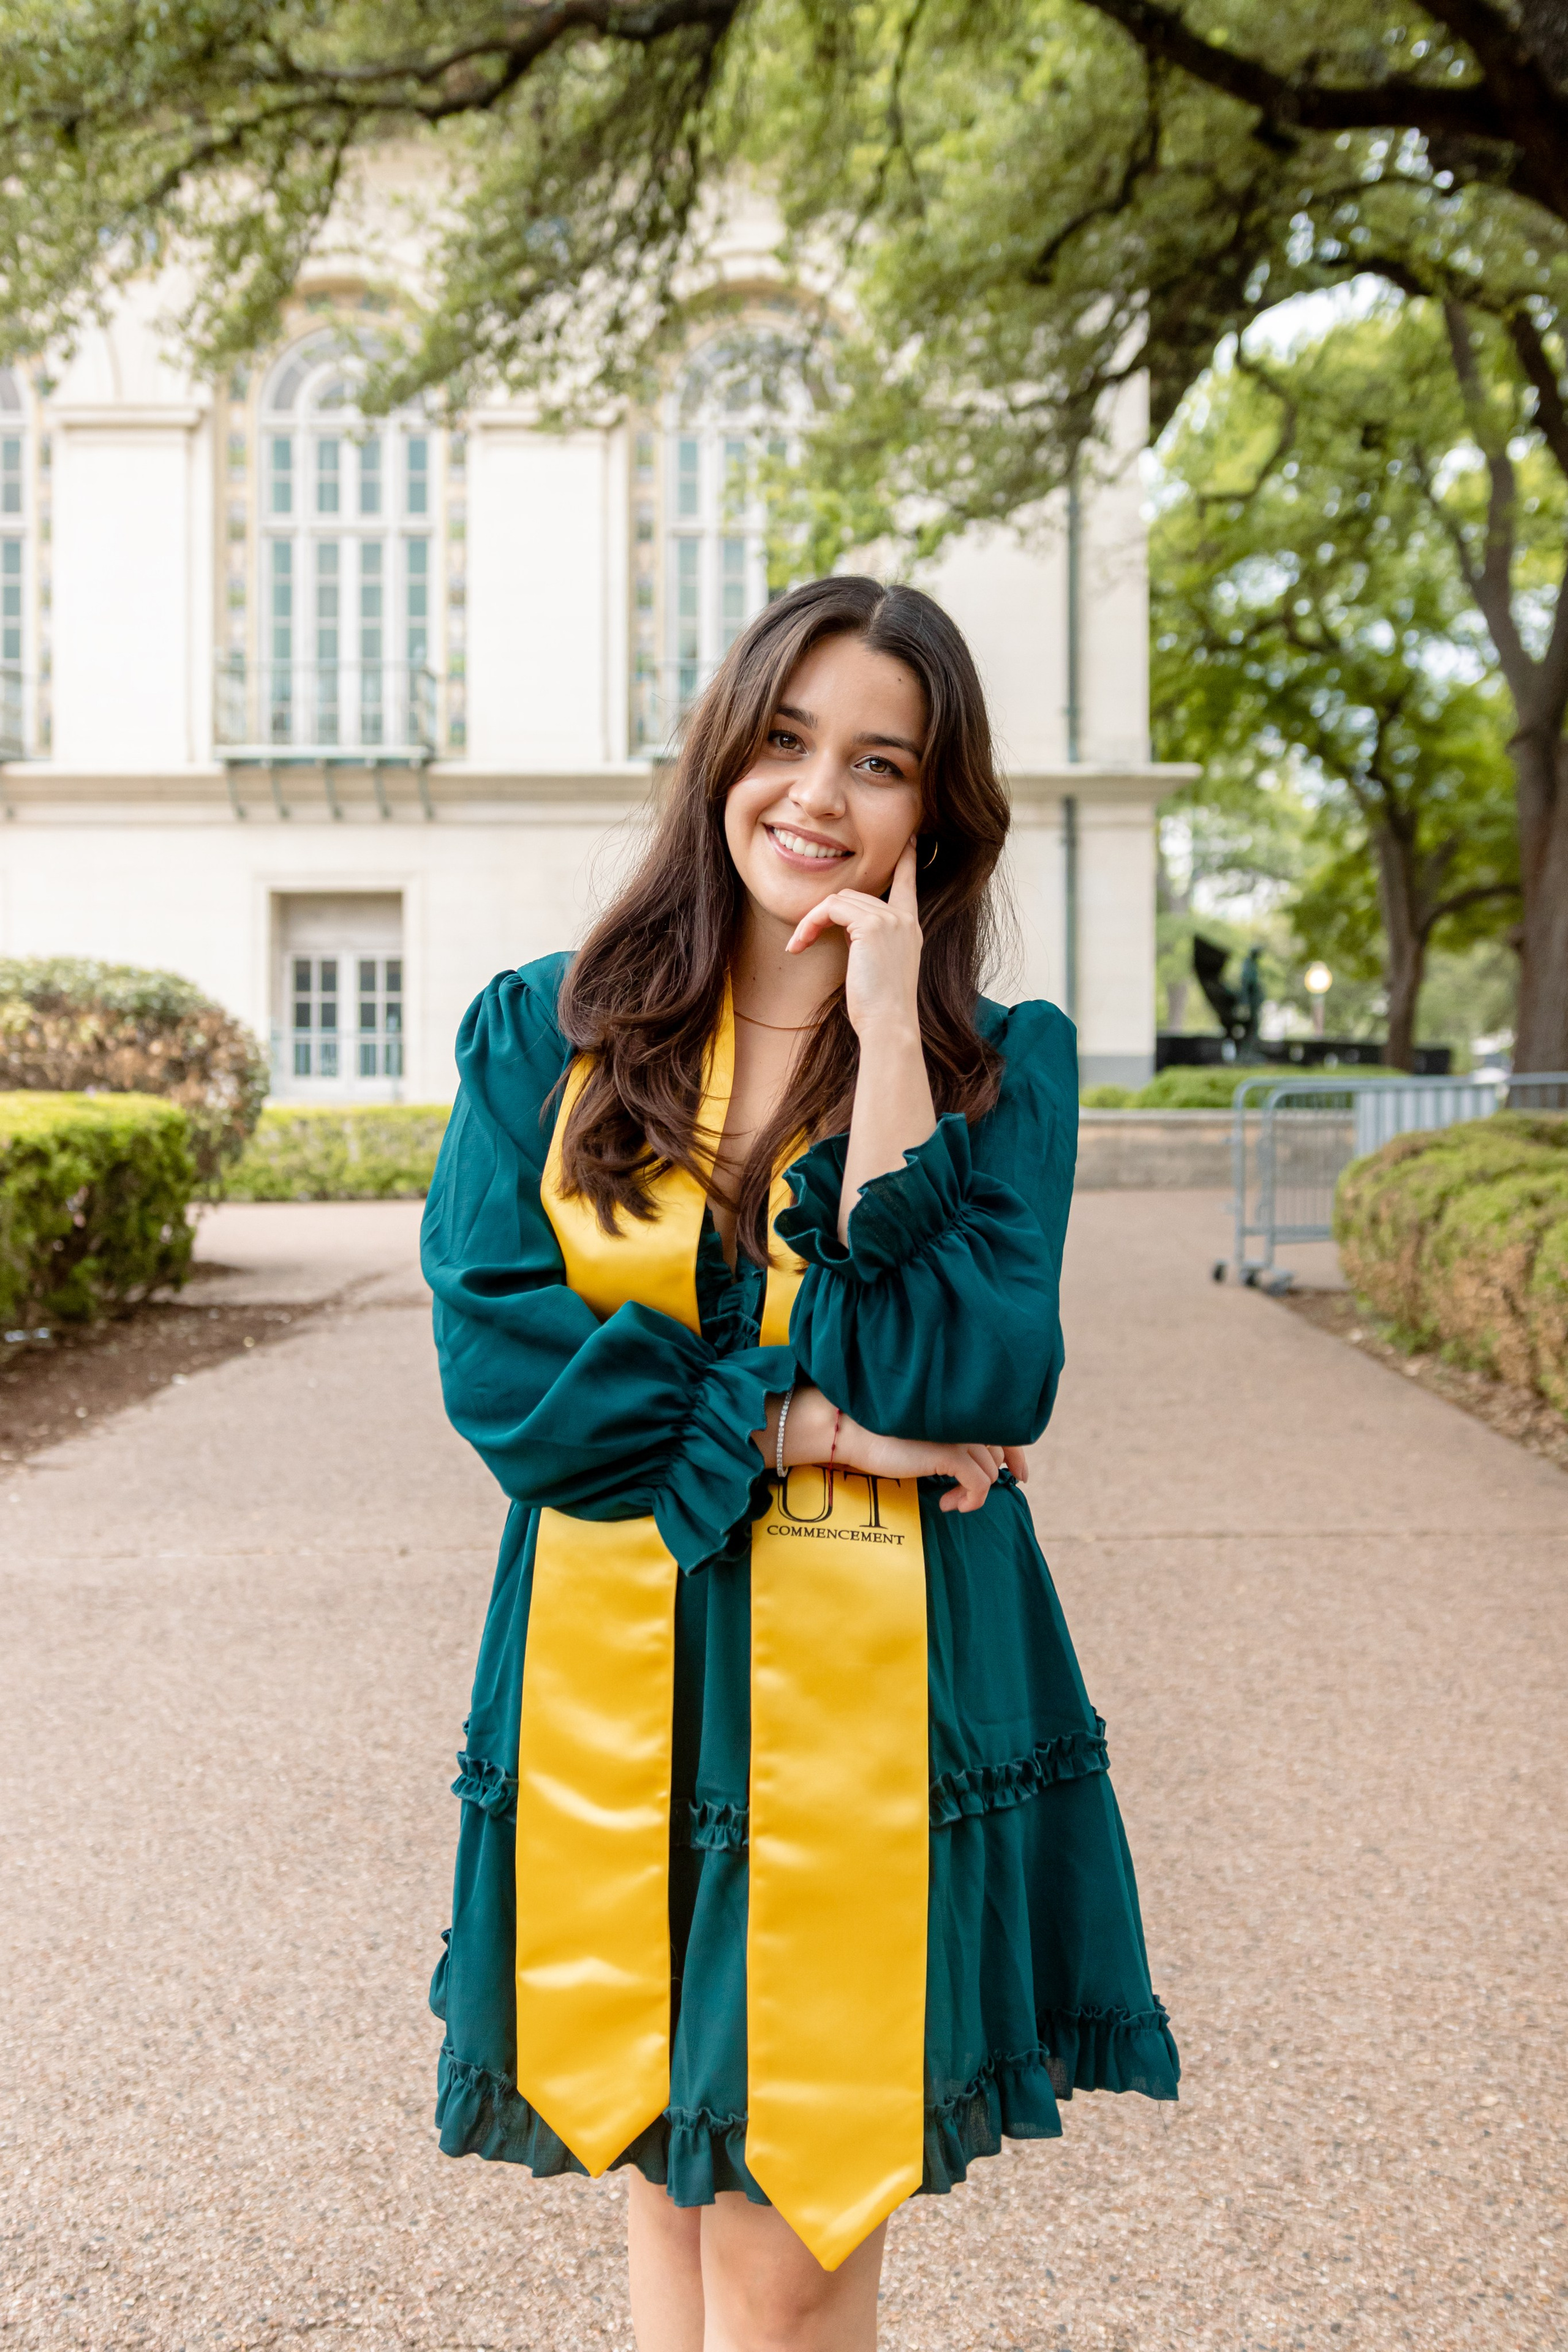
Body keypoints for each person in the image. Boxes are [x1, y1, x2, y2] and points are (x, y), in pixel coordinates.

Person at [421, 575, 1178, 2352]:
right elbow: (508, 1372)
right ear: (722, 754)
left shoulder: (1002, 1078)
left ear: (942, 812)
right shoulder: (551, 1036)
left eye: (880, 763)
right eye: (784, 740)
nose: (818, 797)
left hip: (879, 1686)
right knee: (674, 2203)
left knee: (785, 2239)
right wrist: (817, 1426)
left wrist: (898, 1020)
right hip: (625, 1678)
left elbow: (967, 1367)